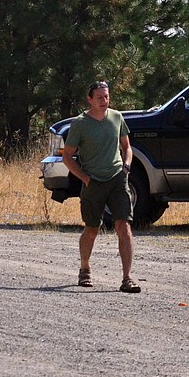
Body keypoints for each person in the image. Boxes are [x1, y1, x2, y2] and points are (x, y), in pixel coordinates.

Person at [61, 80, 140, 293]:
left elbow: (127, 147)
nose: (104, 101)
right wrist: (85, 179)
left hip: (117, 179)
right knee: (92, 229)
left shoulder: (117, 117)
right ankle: (84, 269)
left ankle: (127, 278)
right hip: (93, 182)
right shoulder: (80, 123)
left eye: (106, 97)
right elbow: (67, 157)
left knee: (123, 226)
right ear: (89, 99)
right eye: (99, 98)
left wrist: (126, 167)